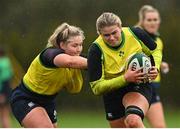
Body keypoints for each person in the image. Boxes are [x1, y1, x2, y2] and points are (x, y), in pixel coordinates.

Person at [88, 12, 161, 128]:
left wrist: (155, 66)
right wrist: (125, 78)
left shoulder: (135, 33)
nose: (111, 38)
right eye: (106, 35)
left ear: (120, 27)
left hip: (137, 84)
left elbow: (155, 50)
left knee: (133, 121)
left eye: (114, 33)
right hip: (112, 91)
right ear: (99, 34)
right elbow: (96, 87)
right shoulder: (95, 50)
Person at [10, 23, 87, 128]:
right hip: (26, 98)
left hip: (48, 101)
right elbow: (71, 62)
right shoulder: (50, 54)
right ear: (62, 44)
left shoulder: (76, 59)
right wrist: (98, 63)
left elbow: (74, 88)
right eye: (74, 45)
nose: (79, 49)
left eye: (80, 45)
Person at [136, 5, 170, 128]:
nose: (152, 22)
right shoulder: (136, 38)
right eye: (149, 20)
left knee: (160, 127)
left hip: (154, 87)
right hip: (139, 87)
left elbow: (153, 59)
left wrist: (161, 64)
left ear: (159, 21)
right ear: (143, 21)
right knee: (132, 124)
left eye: (155, 19)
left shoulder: (158, 40)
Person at [0, 47, 13, 128]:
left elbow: (2, 79)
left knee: (3, 114)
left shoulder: (1, 64)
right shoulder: (7, 61)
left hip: (2, 90)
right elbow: (10, 76)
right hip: (7, 89)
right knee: (5, 114)